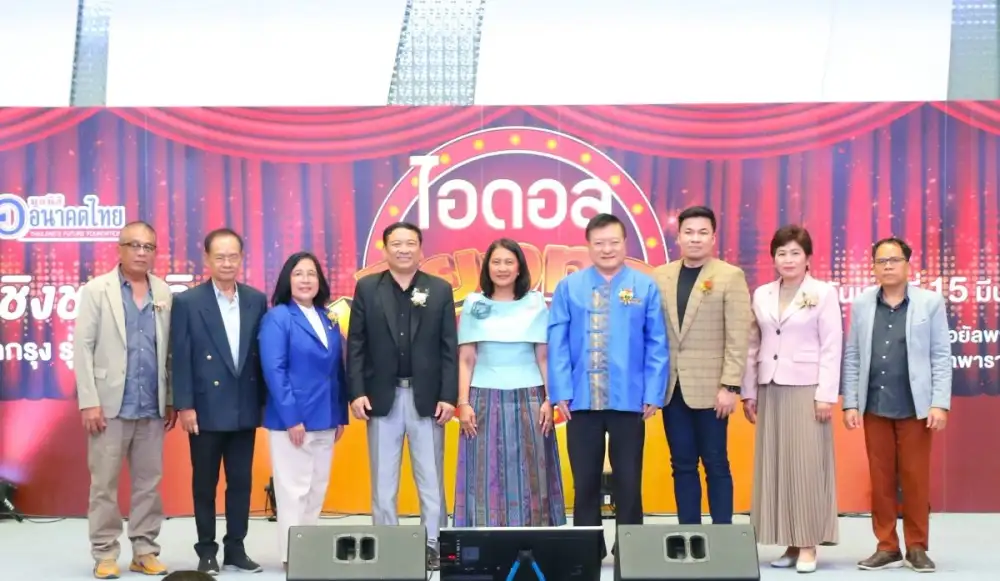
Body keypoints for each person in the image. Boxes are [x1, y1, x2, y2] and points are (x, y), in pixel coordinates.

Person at [548, 213, 669, 554]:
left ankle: (631, 549)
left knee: (628, 479)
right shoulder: (570, 287)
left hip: (630, 399)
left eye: (614, 242)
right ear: (588, 246)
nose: (607, 249)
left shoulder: (644, 286)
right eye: (599, 243)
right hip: (580, 400)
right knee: (584, 481)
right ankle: (588, 549)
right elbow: (557, 341)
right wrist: (560, 391)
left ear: (625, 243)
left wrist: (654, 392)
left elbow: (657, 342)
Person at [346, 222, 457, 571]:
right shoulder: (367, 288)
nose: (404, 249)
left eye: (411, 243)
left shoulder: (439, 289)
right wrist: (356, 392)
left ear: (421, 248)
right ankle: (388, 546)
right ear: (385, 249)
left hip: (428, 400)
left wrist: (449, 396)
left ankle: (433, 545)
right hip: (382, 397)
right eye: (397, 243)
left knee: (431, 480)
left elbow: (449, 348)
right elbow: (356, 345)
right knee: (383, 481)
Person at [842, 236, 952, 573]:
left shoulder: (930, 302)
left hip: (915, 406)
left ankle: (917, 547)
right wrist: (850, 402)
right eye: (881, 261)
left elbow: (940, 355)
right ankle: (887, 546)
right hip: (875, 404)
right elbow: (853, 355)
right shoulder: (862, 304)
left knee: (915, 479)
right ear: (873, 267)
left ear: (908, 265)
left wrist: (939, 403)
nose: (887, 266)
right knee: (881, 480)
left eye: (894, 260)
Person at [74, 221, 176, 579]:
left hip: (151, 405)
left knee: (149, 484)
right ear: (119, 249)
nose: (141, 253)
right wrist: (89, 401)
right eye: (134, 245)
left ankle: (144, 550)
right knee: (104, 485)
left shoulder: (163, 291)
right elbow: (82, 348)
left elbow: (168, 352)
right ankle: (105, 553)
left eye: (148, 247)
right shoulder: (96, 290)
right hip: (108, 406)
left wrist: (170, 398)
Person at [741, 225, 841, 573]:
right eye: (781, 253)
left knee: (806, 467)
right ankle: (790, 542)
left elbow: (832, 346)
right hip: (770, 388)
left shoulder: (823, 293)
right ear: (773, 258)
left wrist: (825, 394)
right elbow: (752, 344)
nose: (788, 259)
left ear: (807, 257)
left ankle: (809, 543)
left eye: (795, 252)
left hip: (807, 389)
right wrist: (749, 391)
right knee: (779, 468)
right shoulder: (762, 294)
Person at [169, 228, 268, 574]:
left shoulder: (256, 299)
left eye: (233, 256)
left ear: (242, 258)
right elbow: (180, 356)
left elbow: (261, 356)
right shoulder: (188, 302)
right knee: (205, 484)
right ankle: (207, 550)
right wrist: (184, 405)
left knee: (241, 482)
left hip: (244, 406)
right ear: (207, 259)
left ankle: (236, 548)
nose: (227, 263)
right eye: (220, 257)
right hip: (205, 408)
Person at [453, 238, 566, 527]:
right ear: (487, 267)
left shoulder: (535, 302)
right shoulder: (473, 303)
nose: (502, 268)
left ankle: (533, 536)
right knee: (483, 471)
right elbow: (466, 358)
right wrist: (463, 403)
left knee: (532, 471)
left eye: (508, 262)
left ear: (519, 268)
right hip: (483, 398)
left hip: (529, 397)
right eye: (496, 262)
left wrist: (549, 399)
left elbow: (543, 356)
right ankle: (483, 535)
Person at [651, 205, 752, 526]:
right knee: (681, 465)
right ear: (678, 236)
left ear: (713, 238)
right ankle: (689, 535)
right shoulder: (661, 276)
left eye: (702, 232)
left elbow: (739, 335)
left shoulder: (729, 276)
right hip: (672, 389)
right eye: (689, 232)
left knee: (716, 463)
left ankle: (722, 536)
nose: (695, 239)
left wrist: (730, 386)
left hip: (713, 391)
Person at [258, 251, 349, 570]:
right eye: (298, 273)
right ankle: (291, 555)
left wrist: (340, 415)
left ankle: (308, 550)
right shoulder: (278, 318)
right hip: (293, 420)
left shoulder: (328, 317)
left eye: (312, 273)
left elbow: (337, 370)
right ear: (287, 279)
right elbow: (274, 370)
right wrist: (291, 417)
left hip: (326, 417)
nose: (306, 280)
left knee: (316, 488)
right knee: (292, 490)